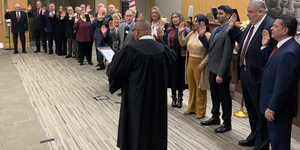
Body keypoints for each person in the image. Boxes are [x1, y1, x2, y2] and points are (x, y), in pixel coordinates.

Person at [106, 19, 175, 150]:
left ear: (136, 32)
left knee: (136, 127)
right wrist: (160, 40)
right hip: (157, 99)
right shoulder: (162, 49)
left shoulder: (130, 50)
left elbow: (116, 72)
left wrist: (109, 66)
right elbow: (172, 58)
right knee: (155, 127)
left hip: (136, 99)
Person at [227, 0, 277, 149]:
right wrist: (233, 29)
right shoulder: (252, 24)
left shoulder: (270, 25)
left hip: (259, 77)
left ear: (260, 12)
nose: (247, 14)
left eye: (250, 12)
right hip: (246, 73)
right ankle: (254, 136)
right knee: (252, 110)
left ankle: (262, 144)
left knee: (261, 112)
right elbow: (244, 40)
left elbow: (273, 53)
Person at [260, 14, 300, 150]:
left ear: (285, 30)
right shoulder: (282, 47)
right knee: (276, 141)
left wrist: (272, 108)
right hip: (275, 105)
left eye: (275, 26)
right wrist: (265, 47)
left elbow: (283, 84)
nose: (271, 28)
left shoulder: (290, 52)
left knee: (280, 143)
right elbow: (273, 65)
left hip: (280, 108)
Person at [198, 5, 235, 133]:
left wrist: (220, 73)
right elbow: (210, 49)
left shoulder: (229, 30)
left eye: (220, 14)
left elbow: (227, 55)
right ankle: (215, 117)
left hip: (222, 71)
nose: (217, 16)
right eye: (217, 13)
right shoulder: (216, 30)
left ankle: (227, 122)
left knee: (224, 97)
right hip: (213, 68)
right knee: (214, 94)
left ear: (228, 16)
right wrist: (202, 36)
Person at [177, 14, 210, 119]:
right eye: (194, 21)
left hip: (200, 62)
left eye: (196, 21)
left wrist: (203, 63)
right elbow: (182, 43)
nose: (193, 23)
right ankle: (191, 108)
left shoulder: (208, 35)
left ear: (202, 23)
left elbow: (211, 52)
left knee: (200, 87)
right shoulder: (191, 33)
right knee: (191, 86)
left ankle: (200, 110)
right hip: (190, 61)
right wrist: (180, 33)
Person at [163, 11, 190, 108]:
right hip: (171, 57)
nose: (174, 19)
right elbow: (166, 43)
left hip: (181, 57)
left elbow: (188, 43)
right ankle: (173, 97)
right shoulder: (169, 30)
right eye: (173, 17)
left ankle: (180, 98)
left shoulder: (186, 30)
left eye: (176, 17)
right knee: (172, 76)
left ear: (180, 18)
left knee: (180, 77)